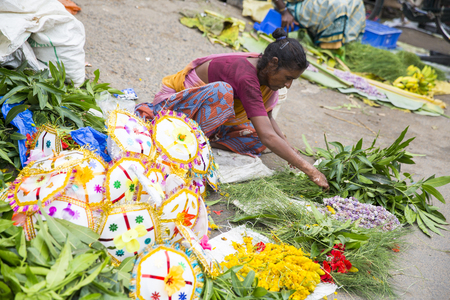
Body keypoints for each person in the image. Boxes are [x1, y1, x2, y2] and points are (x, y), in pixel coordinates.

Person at [135, 28, 329, 190]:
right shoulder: (246, 75)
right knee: (223, 92)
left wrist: (290, 151)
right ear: (273, 63)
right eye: (288, 78)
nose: (288, 85)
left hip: (205, 119)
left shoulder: (266, 76)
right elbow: (267, 135)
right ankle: (190, 145)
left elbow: (268, 120)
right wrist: (310, 170)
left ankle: (203, 141)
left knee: (260, 140)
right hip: (174, 109)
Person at [273, 0, 366, 49]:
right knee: (338, 5)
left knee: (356, 2)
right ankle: (328, 47)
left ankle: (347, 44)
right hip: (295, 4)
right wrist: (284, 10)